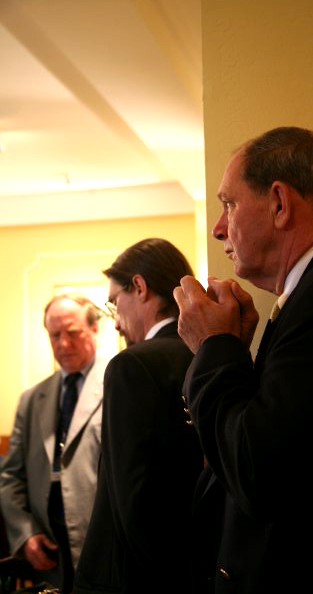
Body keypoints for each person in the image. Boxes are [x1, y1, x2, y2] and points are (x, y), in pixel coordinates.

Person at [173, 127, 313, 592]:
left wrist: (213, 347)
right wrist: (231, 353)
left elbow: (261, 473)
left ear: (279, 203)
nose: (218, 228)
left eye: (229, 204)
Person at [74, 238, 204, 594]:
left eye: (115, 302)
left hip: (129, 578)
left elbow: (135, 503)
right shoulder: (209, 354)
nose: (116, 324)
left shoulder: (132, 365)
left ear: (140, 287)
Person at [0, 294, 109, 593]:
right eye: (54, 335)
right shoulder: (32, 399)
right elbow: (11, 477)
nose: (63, 344)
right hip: (51, 554)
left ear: (94, 329)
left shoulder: (116, 384)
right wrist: (25, 534)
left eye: (72, 333)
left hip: (102, 548)